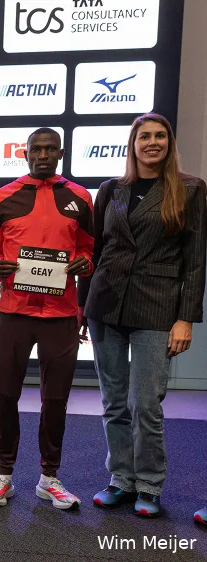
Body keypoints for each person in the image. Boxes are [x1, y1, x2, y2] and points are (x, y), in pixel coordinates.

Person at [79, 113, 207, 518]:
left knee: (145, 404)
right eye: (144, 136)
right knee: (113, 401)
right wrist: (83, 307)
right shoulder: (111, 189)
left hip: (156, 308)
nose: (152, 142)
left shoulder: (190, 189)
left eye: (160, 136)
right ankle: (122, 478)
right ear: (133, 144)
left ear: (169, 143)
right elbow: (95, 252)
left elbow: (195, 261)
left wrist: (186, 318)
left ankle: (149, 485)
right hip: (105, 305)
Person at [0, 128, 94, 509]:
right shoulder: (2, 197)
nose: (42, 155)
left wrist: (84, 263)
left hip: (61, 314)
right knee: (6, 395)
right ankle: (3, 476)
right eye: (36, 149)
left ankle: (49, 477)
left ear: (60, 153)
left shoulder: (80, 197)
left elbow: (89, 249)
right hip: (15, 312)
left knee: (56, 399)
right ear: (25, 153)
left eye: (50, 149)